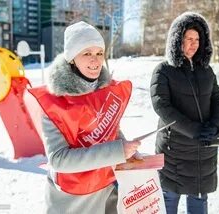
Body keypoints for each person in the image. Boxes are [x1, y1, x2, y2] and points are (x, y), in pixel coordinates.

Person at [29, 21, 141, 214]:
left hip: (107, 190)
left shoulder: (105, 89)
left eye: (99, 53)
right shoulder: (53, 102)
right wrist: (117, 151)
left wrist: (125, 147)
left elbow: (110, 127)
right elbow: (58, 159)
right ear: (72, 58)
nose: (95, 61)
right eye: (87, 53)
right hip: (73, 201)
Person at [150, 12, 219, 214]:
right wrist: (195, 130)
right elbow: (162, 107)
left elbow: (218, 99)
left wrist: (215, 126)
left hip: (203, 150)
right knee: (169, 199)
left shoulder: (207, 71)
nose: (193, 44)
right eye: (187, 39)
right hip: (174, 151)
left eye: (197, 39)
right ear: (177, 40)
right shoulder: (163, 70)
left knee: (198, 200)